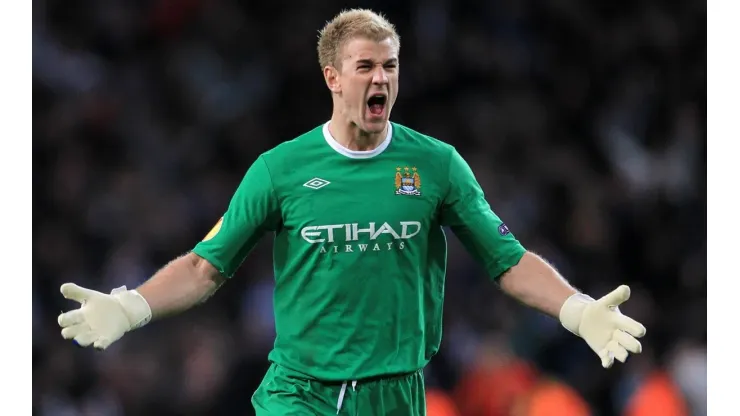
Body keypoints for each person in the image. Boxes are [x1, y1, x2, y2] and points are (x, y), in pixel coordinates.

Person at [57, 8, 647, 415]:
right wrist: (131, 305)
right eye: (366, 66)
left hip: (396, 394)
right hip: (300, 392)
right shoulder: (280, 169)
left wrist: (575, 309)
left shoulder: (436, 165)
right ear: (332, 77)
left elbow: (507, 260)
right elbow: (205, 267)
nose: (381, 79)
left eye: (390, 66)